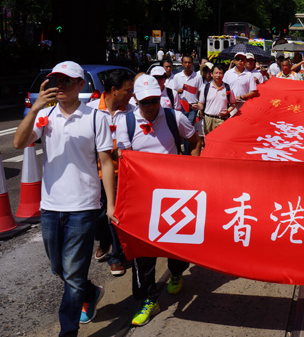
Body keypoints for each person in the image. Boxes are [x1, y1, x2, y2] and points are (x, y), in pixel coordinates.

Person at [14, 61, 115, 334]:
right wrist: (35, 108)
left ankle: (68, 331)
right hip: (50, 206)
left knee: (72, 273)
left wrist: (111, 204)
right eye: (56, 80)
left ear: (80, 84)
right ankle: (90, 292)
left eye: (67, 80)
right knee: (59, 267)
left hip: (84, 206)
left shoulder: (96, 118)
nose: (60, 85)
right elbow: (19, 143)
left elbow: (106, 162)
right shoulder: (45, 116)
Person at [115, 75, 200, 327]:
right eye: (145, 102)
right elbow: (124, 158)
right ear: (136, 100)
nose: (150, 106)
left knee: (176, 245)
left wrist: (193, 171)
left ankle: (176, 273)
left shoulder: (176, 118)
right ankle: (149, 299)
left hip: (174, 196)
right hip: (142, 198)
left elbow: (195, 141)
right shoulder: (126, 122)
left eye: (154, 100)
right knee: (143, 252)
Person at [87, 69, 135, 276]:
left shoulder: (132, 112)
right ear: (114, 90)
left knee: (116, 214)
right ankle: (104, 240)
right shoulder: (90, 111)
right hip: (93, 174)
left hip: (122, 174)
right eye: (128, 90)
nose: (131, 94)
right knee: (98, 216)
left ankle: (116, 257)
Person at [169, 55, 202, 154]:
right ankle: (181, 151)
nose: (187, 65)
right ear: (182, 64)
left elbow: (200, 92)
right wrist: (177, 91)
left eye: (189, 62)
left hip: (192, 107)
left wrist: (199, 107)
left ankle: (187, 152)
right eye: (185, 62)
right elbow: (173, 92)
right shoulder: (177, 77)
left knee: (189, 129)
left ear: (192, 64)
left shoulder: (198, 76)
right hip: (181, 106)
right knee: (180, 129)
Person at [197, 63, 235, 135]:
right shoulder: (205, 88)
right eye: (216, 73)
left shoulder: (228, 88)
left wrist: (228, 111)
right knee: (208, 139)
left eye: (220, 73)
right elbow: (201, 103)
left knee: (221, 139)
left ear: (223, 75)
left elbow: (233, 104)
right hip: (208, 119)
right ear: (212, 74)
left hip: (221, 119)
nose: (218, 75)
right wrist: (197, 106)